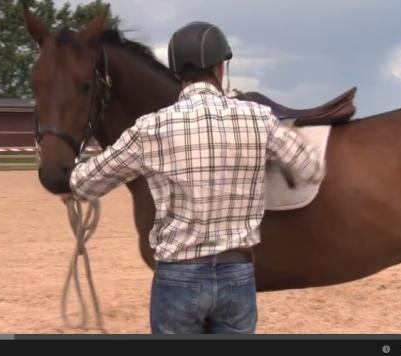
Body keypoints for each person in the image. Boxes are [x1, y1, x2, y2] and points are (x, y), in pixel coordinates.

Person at [61, 21, 325, 334]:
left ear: (176, 73)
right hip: (236, 275)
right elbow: (311, 168)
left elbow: (87, 181)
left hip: (178, 277)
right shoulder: (258, 119)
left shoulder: (151, 128)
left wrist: (70, 184)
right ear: (220, 69)